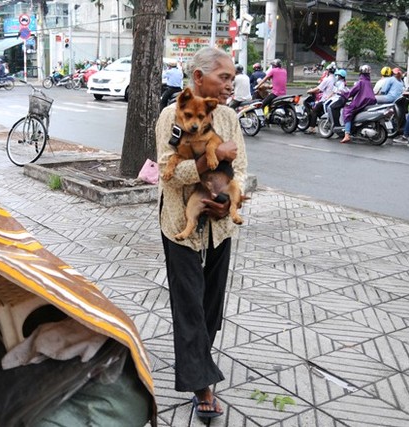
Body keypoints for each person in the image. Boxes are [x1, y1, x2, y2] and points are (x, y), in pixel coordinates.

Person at [156, 46, 248, 420]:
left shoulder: (228, 117)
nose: (230, 85)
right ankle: (201, 385)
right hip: (182, 221)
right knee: (189, 303)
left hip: (221, 224)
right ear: (199, 79)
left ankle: (198, 356)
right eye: (223, 77)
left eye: (231, 77)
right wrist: (208, 159)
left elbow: (241, 168)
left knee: (211, 304)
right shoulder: (171, 116)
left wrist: (228, 199)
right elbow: (168, 171)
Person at [340, 64, 377, 143]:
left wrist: (343, 93)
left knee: (347, 110)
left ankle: (346, 134)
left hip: (362, 101)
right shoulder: (368, 82)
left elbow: (351, 92)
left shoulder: (360, 82)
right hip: (371, 101)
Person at [305, 62, 337, 134]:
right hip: (333, 99)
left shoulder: (327, 79)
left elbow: (318, 89)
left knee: (315, 111)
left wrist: (310, 91)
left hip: (326, 100)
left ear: (328, 71)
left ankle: (312, 128)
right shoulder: (335, 79)